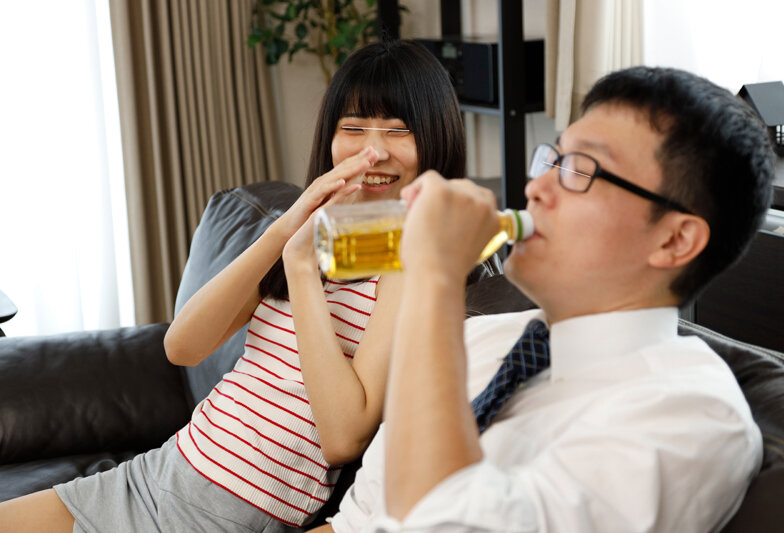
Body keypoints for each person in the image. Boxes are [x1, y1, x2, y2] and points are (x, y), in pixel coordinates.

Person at [0, 39, 465, 533]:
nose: (374, 150)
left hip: (223, 515)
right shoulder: (313, 234)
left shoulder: (409, 263)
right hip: (158, 472)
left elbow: (342, 438)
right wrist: (288, 228)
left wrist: (301, 269)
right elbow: (182, 346)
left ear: (435, 138)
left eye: (399, 130)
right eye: (353, 128)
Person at [315, 66, 775, 532]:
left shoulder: (691, 415)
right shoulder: (475, 338)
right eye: (552, 160)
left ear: (674, 240)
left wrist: (434, 276)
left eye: (580, 170)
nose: (535, 188)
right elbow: (353, 523)